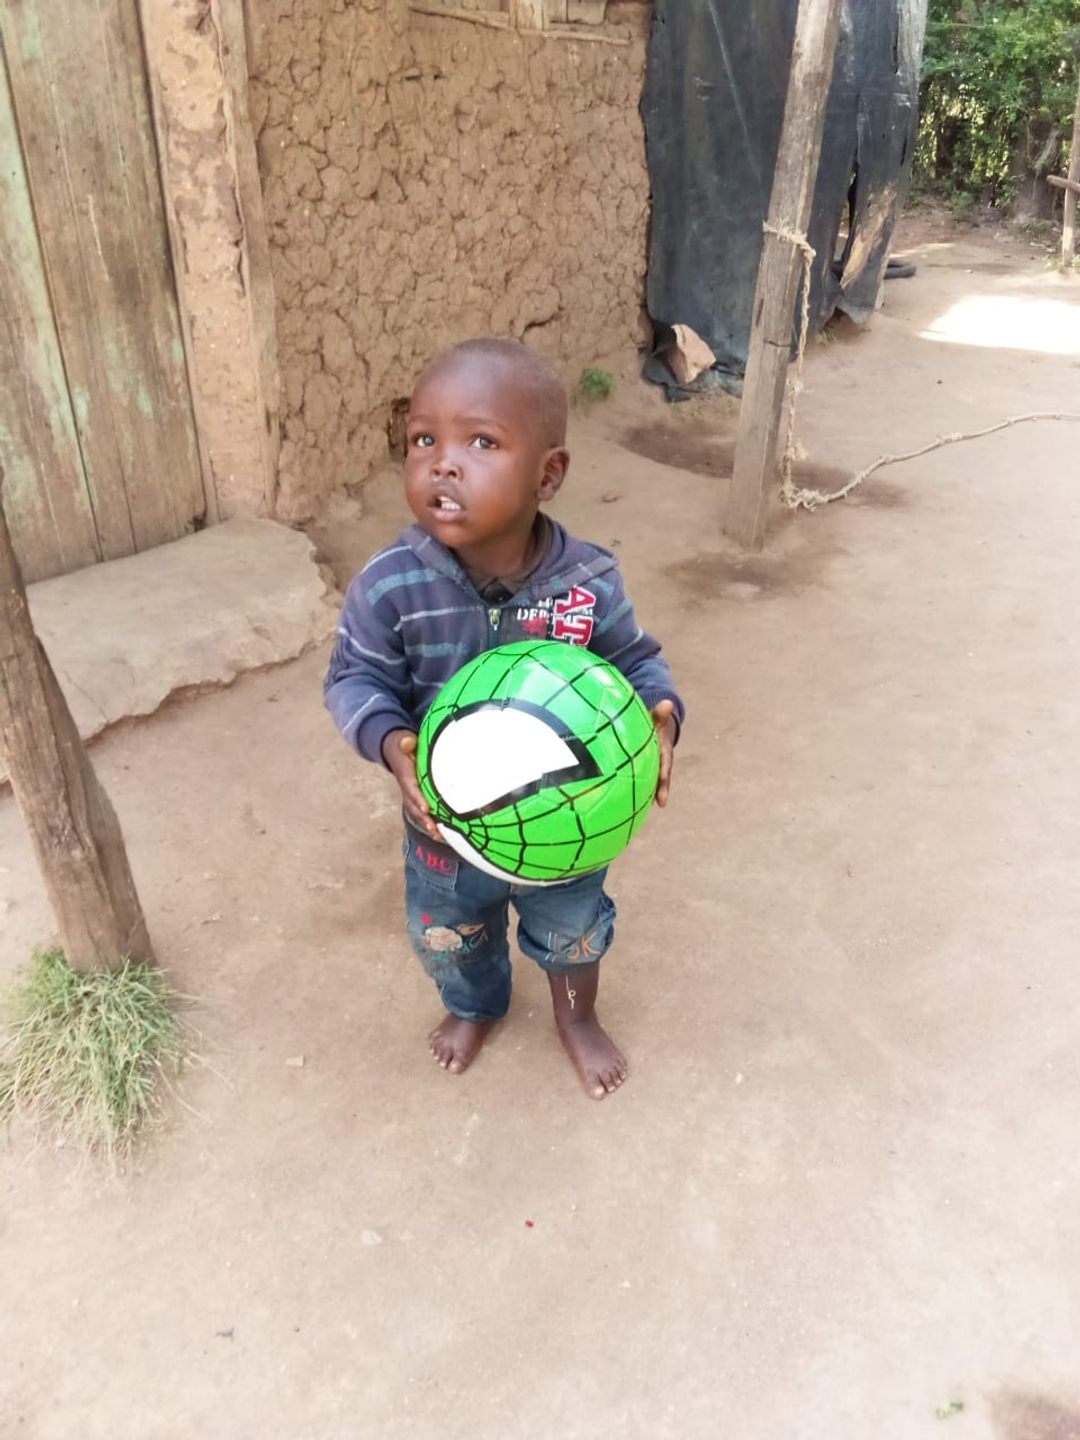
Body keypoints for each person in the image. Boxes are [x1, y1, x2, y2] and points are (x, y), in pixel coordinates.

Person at [325, 339, 684, 1099]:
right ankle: (475, 1004)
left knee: (574, 932)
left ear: (547, 476)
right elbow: (355, 679)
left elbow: (637, 662)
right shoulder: (390, 587)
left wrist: (660, 715)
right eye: (424, 439)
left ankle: (577, 1016)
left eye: (481, 443)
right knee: (449, 937)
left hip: (569, 824)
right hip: (444, 832)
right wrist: (391, 742)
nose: (443, 464)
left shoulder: (588, 582)